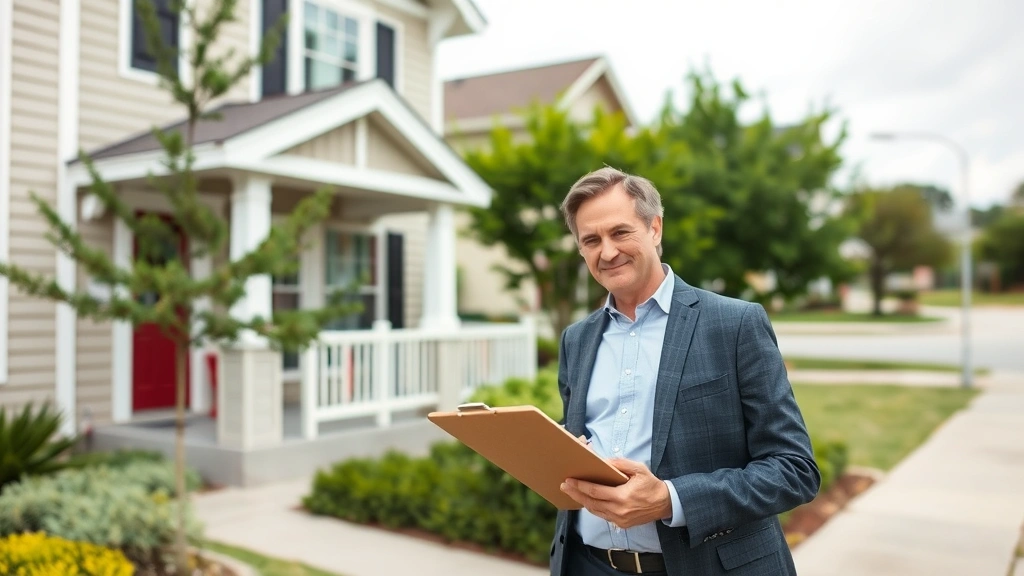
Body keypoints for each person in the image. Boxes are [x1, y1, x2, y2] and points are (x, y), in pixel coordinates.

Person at [550, 167, 819, 576]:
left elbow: (793, 469)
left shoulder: (735, 325)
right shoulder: (576, 340)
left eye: (620, 233)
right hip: (588, 565)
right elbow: (579, 440)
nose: (606, 252)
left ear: (655, 228)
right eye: (591, 240)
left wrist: (670, 499)